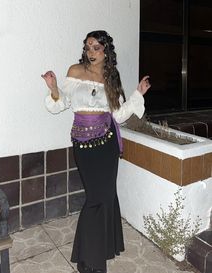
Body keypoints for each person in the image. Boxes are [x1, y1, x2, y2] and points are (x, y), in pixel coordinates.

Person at [42, 30, 150, 273]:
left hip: (107, 143)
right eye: (88, 47)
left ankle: (94, 256)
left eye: (97, 48)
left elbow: (119, 115)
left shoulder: (111, 77)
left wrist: (137, 94)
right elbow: (60, 104)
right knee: (97, 197)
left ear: (106, 51)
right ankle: (89, 255)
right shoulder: (75, 71)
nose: (91, 52)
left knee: (105, 195)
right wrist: (53, 86)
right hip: (83, 144)